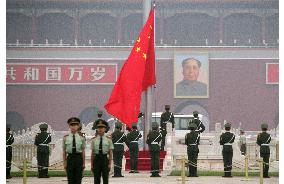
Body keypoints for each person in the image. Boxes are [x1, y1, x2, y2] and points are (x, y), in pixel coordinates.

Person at [63, 117, 86, 184]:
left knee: (78, 179)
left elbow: (83, 151)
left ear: (78, 126)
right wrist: (65, 162)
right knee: (70, 179)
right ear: (69, 126)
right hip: (70, 158)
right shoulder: (65, 138)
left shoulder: (82, 138)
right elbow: (64, 152)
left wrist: (84, 163)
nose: (73, 127)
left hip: (79, 158)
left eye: (75, 125)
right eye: (71, 125)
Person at [91, 119, 114, 184]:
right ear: (97, 129)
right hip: (96, 159)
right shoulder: (94, 140)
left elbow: (110, 153)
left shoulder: (108, 140)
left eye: (102, 127)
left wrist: (109, 163)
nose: (100, 129)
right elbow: (92, 153)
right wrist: (92, 164)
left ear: (105, 129)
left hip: (104, 159)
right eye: (99, 127)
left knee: (105, 179)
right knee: (96, 179)